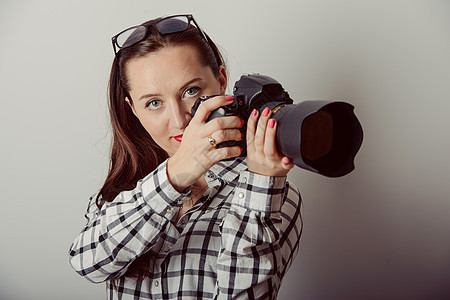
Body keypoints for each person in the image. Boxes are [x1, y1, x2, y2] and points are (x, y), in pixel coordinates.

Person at [68, 14, 303, 300]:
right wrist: (174, 176)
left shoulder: (269, 194)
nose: (179, 120)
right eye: (154, 103)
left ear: (221, 79)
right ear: (132, 109)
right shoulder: (126, 186)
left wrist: (262, 184)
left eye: (191, 91)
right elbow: (87, 263)